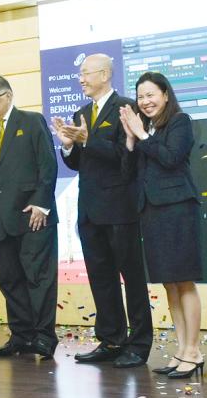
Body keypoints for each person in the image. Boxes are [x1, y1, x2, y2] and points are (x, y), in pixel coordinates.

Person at [52, 54, 152, 369]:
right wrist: (68, 145)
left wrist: (88, 139)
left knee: (132, 279)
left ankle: (138, 344)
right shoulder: (82, 112)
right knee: (101, 278)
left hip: (121, 208)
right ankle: (111, 340)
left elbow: (126, 156)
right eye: (79, 74)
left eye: (85, 73)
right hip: (90, 210)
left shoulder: (126, 107)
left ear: (105, 74)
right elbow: (79, 162)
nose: (80, 79)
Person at [118, 71, 204, 379]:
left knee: (184, 281)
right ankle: (182, 349)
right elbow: (128, 174)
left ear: (166, 95)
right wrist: (130, 140)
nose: (145, 101)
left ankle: (194, 351)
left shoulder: (180, 122)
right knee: (169, 283)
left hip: (178, 210)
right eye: (140, 97)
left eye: (151, 95)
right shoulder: (145, 130)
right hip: (152, 213)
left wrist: (141, 135)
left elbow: (170, 159)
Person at [0, 76, 59, 359]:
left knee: (39, 278)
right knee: (9, 280)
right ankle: (21, 336)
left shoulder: (32, 121)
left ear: (7, 96)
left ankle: (44, 337)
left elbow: (48, 166)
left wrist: (41, 204)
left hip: (33, 216)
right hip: (0, 219)